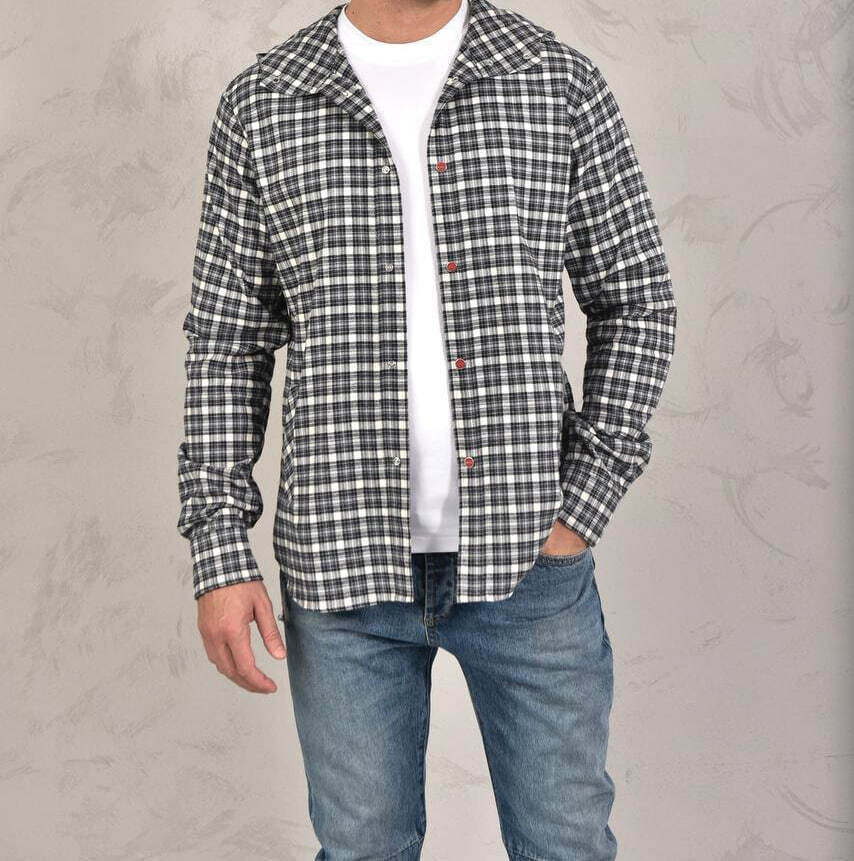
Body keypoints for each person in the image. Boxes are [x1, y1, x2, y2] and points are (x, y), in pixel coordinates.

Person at [177, 0, 677, 856]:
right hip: (342, 571)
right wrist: (219, 549)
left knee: (565, 844)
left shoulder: (554, 79)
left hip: (529, 563)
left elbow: (636, 299)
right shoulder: (265, 99)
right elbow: (229, 341)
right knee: (363, 849)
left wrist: (581, 505)